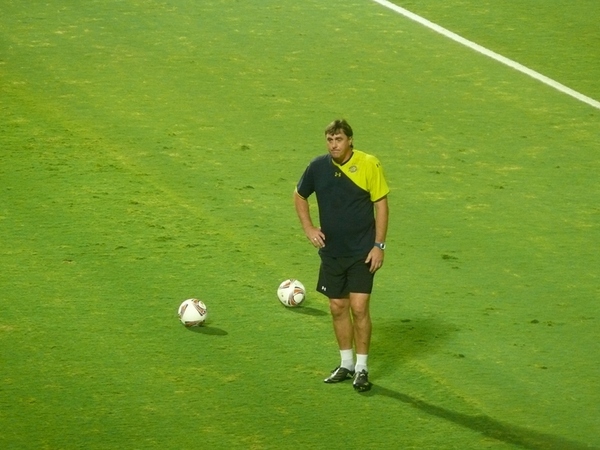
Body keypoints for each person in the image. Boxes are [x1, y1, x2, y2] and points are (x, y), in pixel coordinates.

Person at [294, 119, 389, 392]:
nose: (333, 145)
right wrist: (309, 228)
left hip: (362, 252)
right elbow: (299, 196)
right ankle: (346, 364)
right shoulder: (317, 167)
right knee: (337, 307)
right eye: (329, 140)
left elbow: (381, 205)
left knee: (359, 308)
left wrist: (379, 245)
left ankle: (362, 368)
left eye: (338, 140)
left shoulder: (369, 164)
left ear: (350, 140)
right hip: (332, 252)